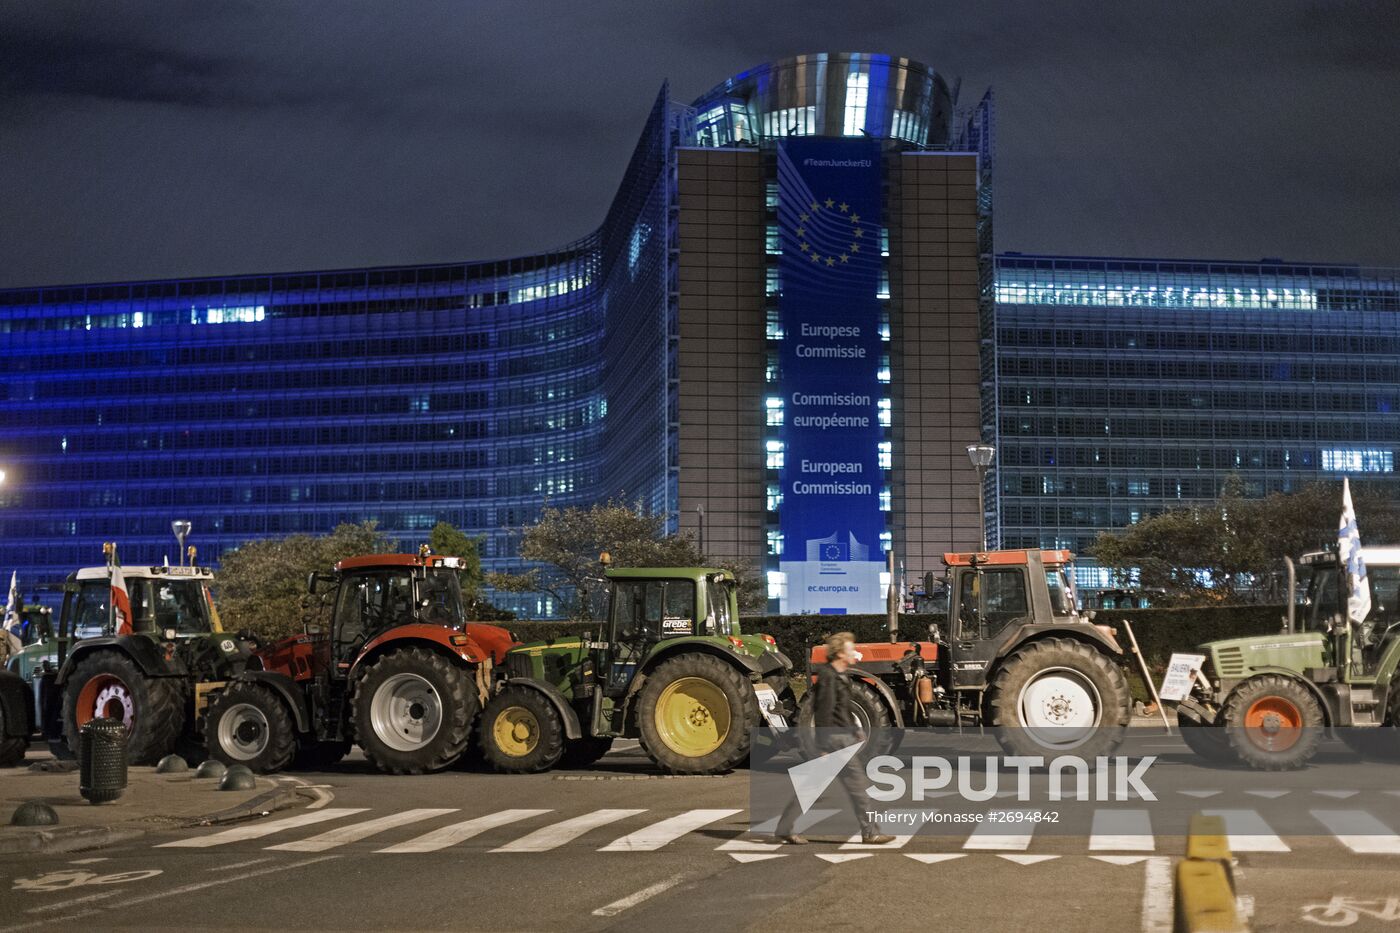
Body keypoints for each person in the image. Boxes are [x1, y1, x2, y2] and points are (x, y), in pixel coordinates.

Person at [776, 632, 895, 846]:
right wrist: (822, 747)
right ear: (840, 653)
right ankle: (870, 833)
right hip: (836, 741)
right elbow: (824, 712)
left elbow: (844, 708)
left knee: (813, 787)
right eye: (851, 649)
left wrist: (855, 730)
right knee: (858, 787)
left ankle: (785, 827)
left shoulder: (841, 675)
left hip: (842, 738)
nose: (854, 652)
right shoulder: (829, 676)